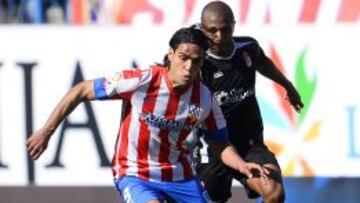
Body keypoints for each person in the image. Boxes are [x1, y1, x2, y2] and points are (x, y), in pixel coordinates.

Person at [26, 27, 268, 203]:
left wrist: (242, 165)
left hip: (181, 177)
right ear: (171, 55)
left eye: (196, 61)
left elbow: (219, 143)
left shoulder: (205, 99)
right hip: (135, 173)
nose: (188, 67)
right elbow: (81, 90)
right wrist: (46, 131)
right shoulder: (142, 81)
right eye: (183, 58)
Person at [192, 1, 304, 203]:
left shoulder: (248, 48)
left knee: (274, 193)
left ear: (234, 25)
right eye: (212, 30)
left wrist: (288, 86)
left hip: (249, 145)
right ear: (202, 29)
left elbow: (263, 63)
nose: (219, 36)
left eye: (225, 29)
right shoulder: (197, 64)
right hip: (212, 149)